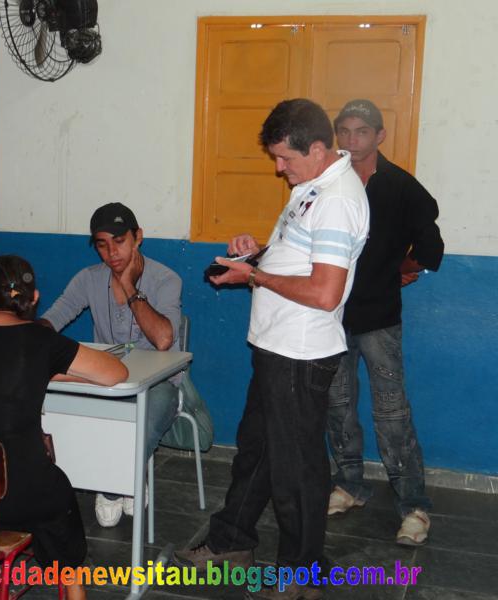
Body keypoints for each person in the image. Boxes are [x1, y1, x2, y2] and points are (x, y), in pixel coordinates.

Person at [174, 99, 369, 600]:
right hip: (276, 346)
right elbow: (302, 260)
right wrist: (258, 254)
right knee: (258, 452)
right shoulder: (313, 185)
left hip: (300, 353)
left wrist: (255, 277)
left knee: (296, 470)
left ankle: (303, 573)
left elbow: (325, 293)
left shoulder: (337, 200)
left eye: (285, 158)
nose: (279, 168)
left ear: (318, 148)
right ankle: (231, 541)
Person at [0, 255, 128, 600]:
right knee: (57, 493)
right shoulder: (42, 342)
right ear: (34, 298)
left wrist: (39, 371)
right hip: (18, 499)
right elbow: (116, 373)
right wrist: (46, 370)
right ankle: (72, 587)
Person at [326, 99, 444, 546]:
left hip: (379, 319)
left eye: (361, 131)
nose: (351, 140)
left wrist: (405, 267)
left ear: (380, 136)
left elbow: (431, 246)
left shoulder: (401, 187)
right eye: (344, 131)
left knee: (392, 413)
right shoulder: (328, 181)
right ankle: (349, 485)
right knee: (338, 405)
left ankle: (413, 505)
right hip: (331, 316)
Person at [38, 203, 182, 527]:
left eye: (119, 241)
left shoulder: (165, 279)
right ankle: (127, 474)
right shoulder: (88, 279)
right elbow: (53, 318)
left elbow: (163, 340)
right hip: (107, 380)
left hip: (159, 383)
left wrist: (130, 286)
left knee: (150, 411)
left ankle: (113, 483)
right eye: (102, 245)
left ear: (138, 237)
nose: (112, 253)